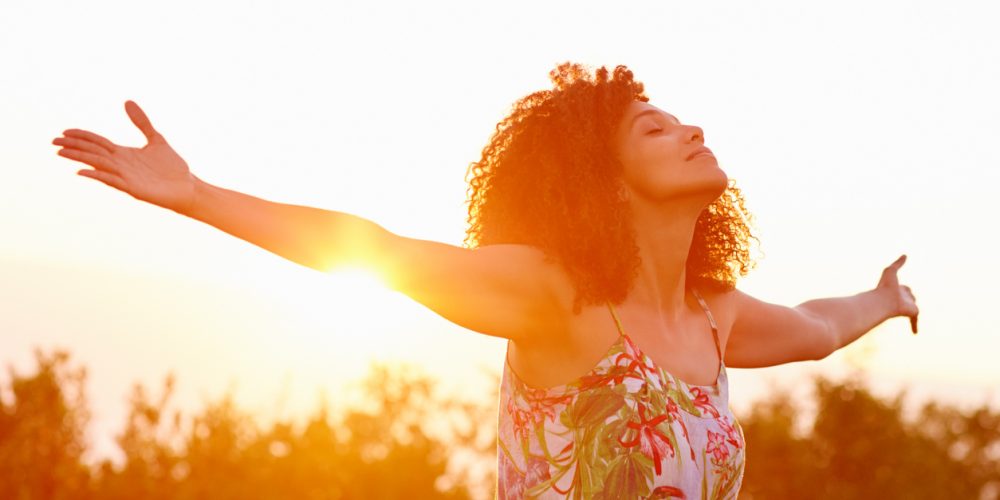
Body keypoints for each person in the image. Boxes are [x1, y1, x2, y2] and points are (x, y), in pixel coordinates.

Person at [52, 62, 919, 499]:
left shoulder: (713, 317)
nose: (689, 126)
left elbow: (815, 325)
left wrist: (886, 299)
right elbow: (374, 247)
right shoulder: (555, 297)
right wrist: (198, 196)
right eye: (654, 129)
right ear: (605, 183)